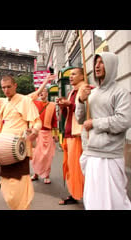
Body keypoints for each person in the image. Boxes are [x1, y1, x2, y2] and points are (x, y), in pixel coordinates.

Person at [0, 75, 42, 210]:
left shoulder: (25, 100)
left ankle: (23, 207)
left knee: (20, 182)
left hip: (19, 147)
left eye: (8, 87)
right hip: (4, 147)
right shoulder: (4, 102)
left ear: (15, 86)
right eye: (3, 87)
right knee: (6, 184)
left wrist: (34, 131)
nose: (6, 90)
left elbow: (37, 121)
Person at [76, 52, 131, 210]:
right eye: (96, 62)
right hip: (91, 153)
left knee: (115, 201)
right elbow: (80, 119)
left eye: (102, 62)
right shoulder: (91, 93)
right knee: (93, 201)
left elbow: (124, 120)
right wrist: (81, 100)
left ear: (111, 66)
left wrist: (95, 123)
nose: (97, 66)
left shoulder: (121, 93)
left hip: (110, 156)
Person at [56, 67, 86, 205]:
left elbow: (84, 111)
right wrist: (63, 107)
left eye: (74, 74)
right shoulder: (71, 92)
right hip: (68, 134)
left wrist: (71, 105)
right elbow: (67, 115)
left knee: (77, 168)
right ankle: (74, 193)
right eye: (70, 74)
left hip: (77, 134)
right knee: (69, 167)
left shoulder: (84, 89)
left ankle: (82, 195)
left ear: (82, 76)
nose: (71, 76)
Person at [31, 87, 58, 184]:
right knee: (35, 156)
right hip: (37, 133)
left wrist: (56, 135)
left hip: (47, 133)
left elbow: (54, 121)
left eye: (44, 91)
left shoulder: (52, 105)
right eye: (40, 92)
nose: (42, 93)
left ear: (47, 94)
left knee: (47, 156)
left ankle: (47, 175)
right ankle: (36, 174)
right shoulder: (35, 103)